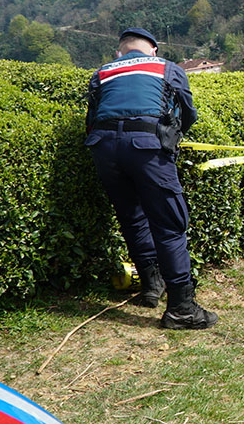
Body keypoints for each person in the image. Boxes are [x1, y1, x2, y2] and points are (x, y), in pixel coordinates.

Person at [84, 28, 217, 330]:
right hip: (147, 148)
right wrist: (171, 137)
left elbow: (91, 118)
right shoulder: (167, 68)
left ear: (119, 53)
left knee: (131, 216)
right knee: (169, 225)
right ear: (152, 50)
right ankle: (182, 308)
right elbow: (188, 113)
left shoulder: (102, 73)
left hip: (103, 149)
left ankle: (151, 285)